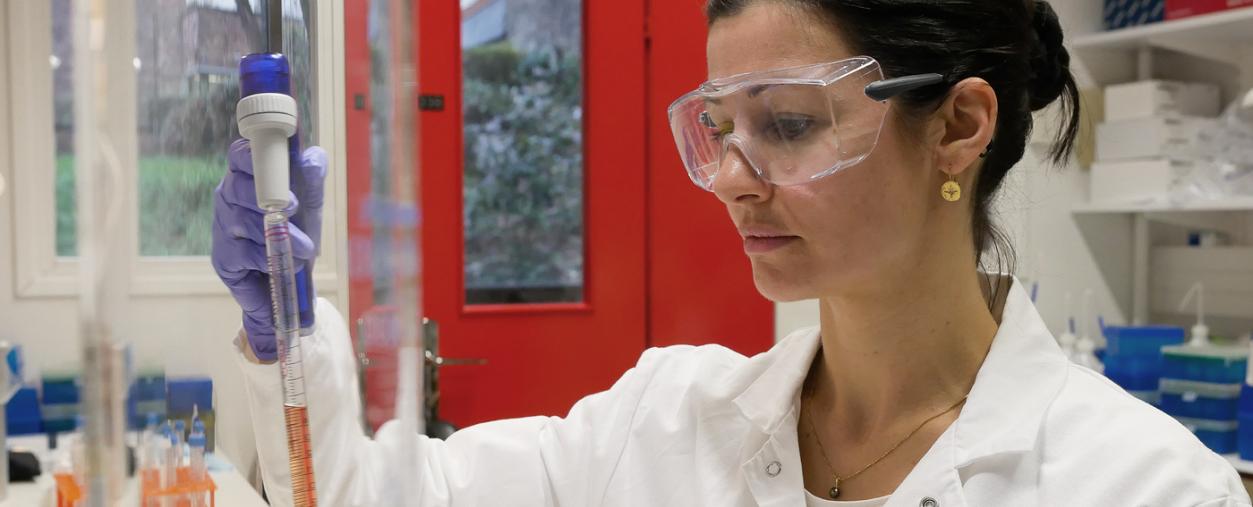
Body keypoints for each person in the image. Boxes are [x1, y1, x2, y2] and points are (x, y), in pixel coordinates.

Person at [212, 1, 1252, 505]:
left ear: (956, 126)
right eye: (718, 127)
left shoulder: (1144, 488)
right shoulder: (665, 421)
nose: (731, 177)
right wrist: (288, 332)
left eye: (789, 124)